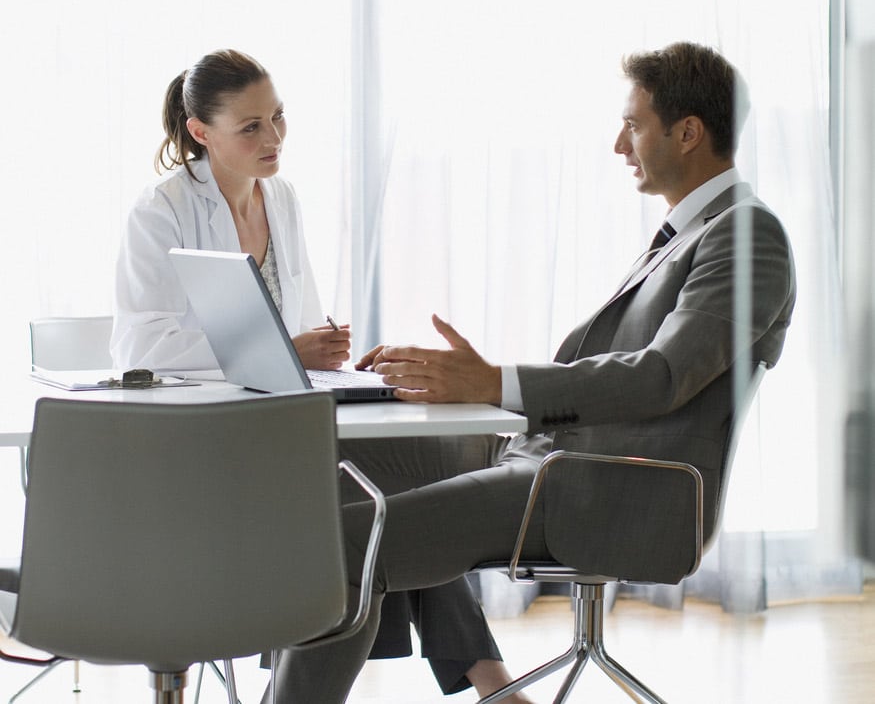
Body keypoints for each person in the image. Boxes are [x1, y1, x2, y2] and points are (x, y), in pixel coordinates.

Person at [264, 41, 797, 702]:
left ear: (687, 133)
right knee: (345, 462)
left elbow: (660, 375)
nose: (616, 144)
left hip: (612, 490)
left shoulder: (746, 236)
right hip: (554, 460)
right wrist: (452, 382)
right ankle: (491, 684)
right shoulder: (690, 231)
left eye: (631, 124)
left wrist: (492, 383)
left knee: (341, 548)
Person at [110, 48, 527, 700]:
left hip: (291, 427)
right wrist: (286, 346)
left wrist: (332, 352)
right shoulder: (161, 209)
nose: (273, 138)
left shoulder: (281, 198)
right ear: (200, 131)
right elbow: (142, 345)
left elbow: (294, 332)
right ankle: (487, 682)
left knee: (423, 484)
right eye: (250, 127)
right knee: (394, 501)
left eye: (278, 118)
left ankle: (477, 681)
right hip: (206, 447)